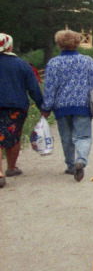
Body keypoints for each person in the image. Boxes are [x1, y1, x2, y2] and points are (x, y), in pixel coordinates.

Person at [40, 29, 93, 181]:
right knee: (83, 136)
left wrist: (46, 107)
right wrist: (87, 87)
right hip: (83, 105)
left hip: (61, 107)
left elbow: (49, 87)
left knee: (66, 137)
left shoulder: (53, 63)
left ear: (59, 44)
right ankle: (81, 159)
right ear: (77, 43)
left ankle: (70, 165)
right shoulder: (87, 61)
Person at [0, 33, 44, 186]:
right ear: (10, 46)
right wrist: (42, 106)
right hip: (16, 106)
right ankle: (11, 168)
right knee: (13, 136)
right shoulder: (22, 65)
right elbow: (34, 88)